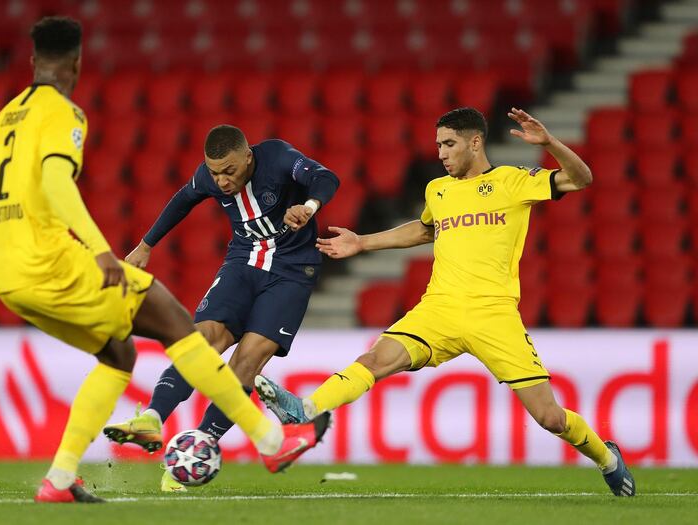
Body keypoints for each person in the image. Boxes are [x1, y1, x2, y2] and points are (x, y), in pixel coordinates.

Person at [0, 16, 329, 504]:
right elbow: (53, 184)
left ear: (31, 62)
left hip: (6, 273)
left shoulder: (7, 116)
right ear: (76, 63)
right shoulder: (64, 114)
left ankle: (62, 478)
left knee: (118, 356)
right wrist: (99, 251)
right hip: (53, 261)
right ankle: (273, 442)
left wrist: (11, 236)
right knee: (178, 323)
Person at [254, 107, 637, 497]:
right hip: (439, 309)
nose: (441, 153)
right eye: (438, 145)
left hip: (493, 314)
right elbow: (424, 230)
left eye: (449, 144)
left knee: (550, 418)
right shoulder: (438, 190)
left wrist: (551, 143)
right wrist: (363, 242)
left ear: (475, 142)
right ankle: (306, 411)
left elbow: (581, 179)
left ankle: (605, 457)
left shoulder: (512, 182)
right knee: (374, 360)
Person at [103, 124, 339, 491]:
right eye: (214, 173)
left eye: (229, 171)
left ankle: (196, 448)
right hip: (242, 263)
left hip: (291, 271)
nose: (222, 181)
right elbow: (182, 200)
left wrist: (309, 207)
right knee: (203, 338)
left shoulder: (277, 157)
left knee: (248, 361)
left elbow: (325, 177)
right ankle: (151, 417)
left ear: (248, 156)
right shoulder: (210, 177)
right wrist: (146, 245)